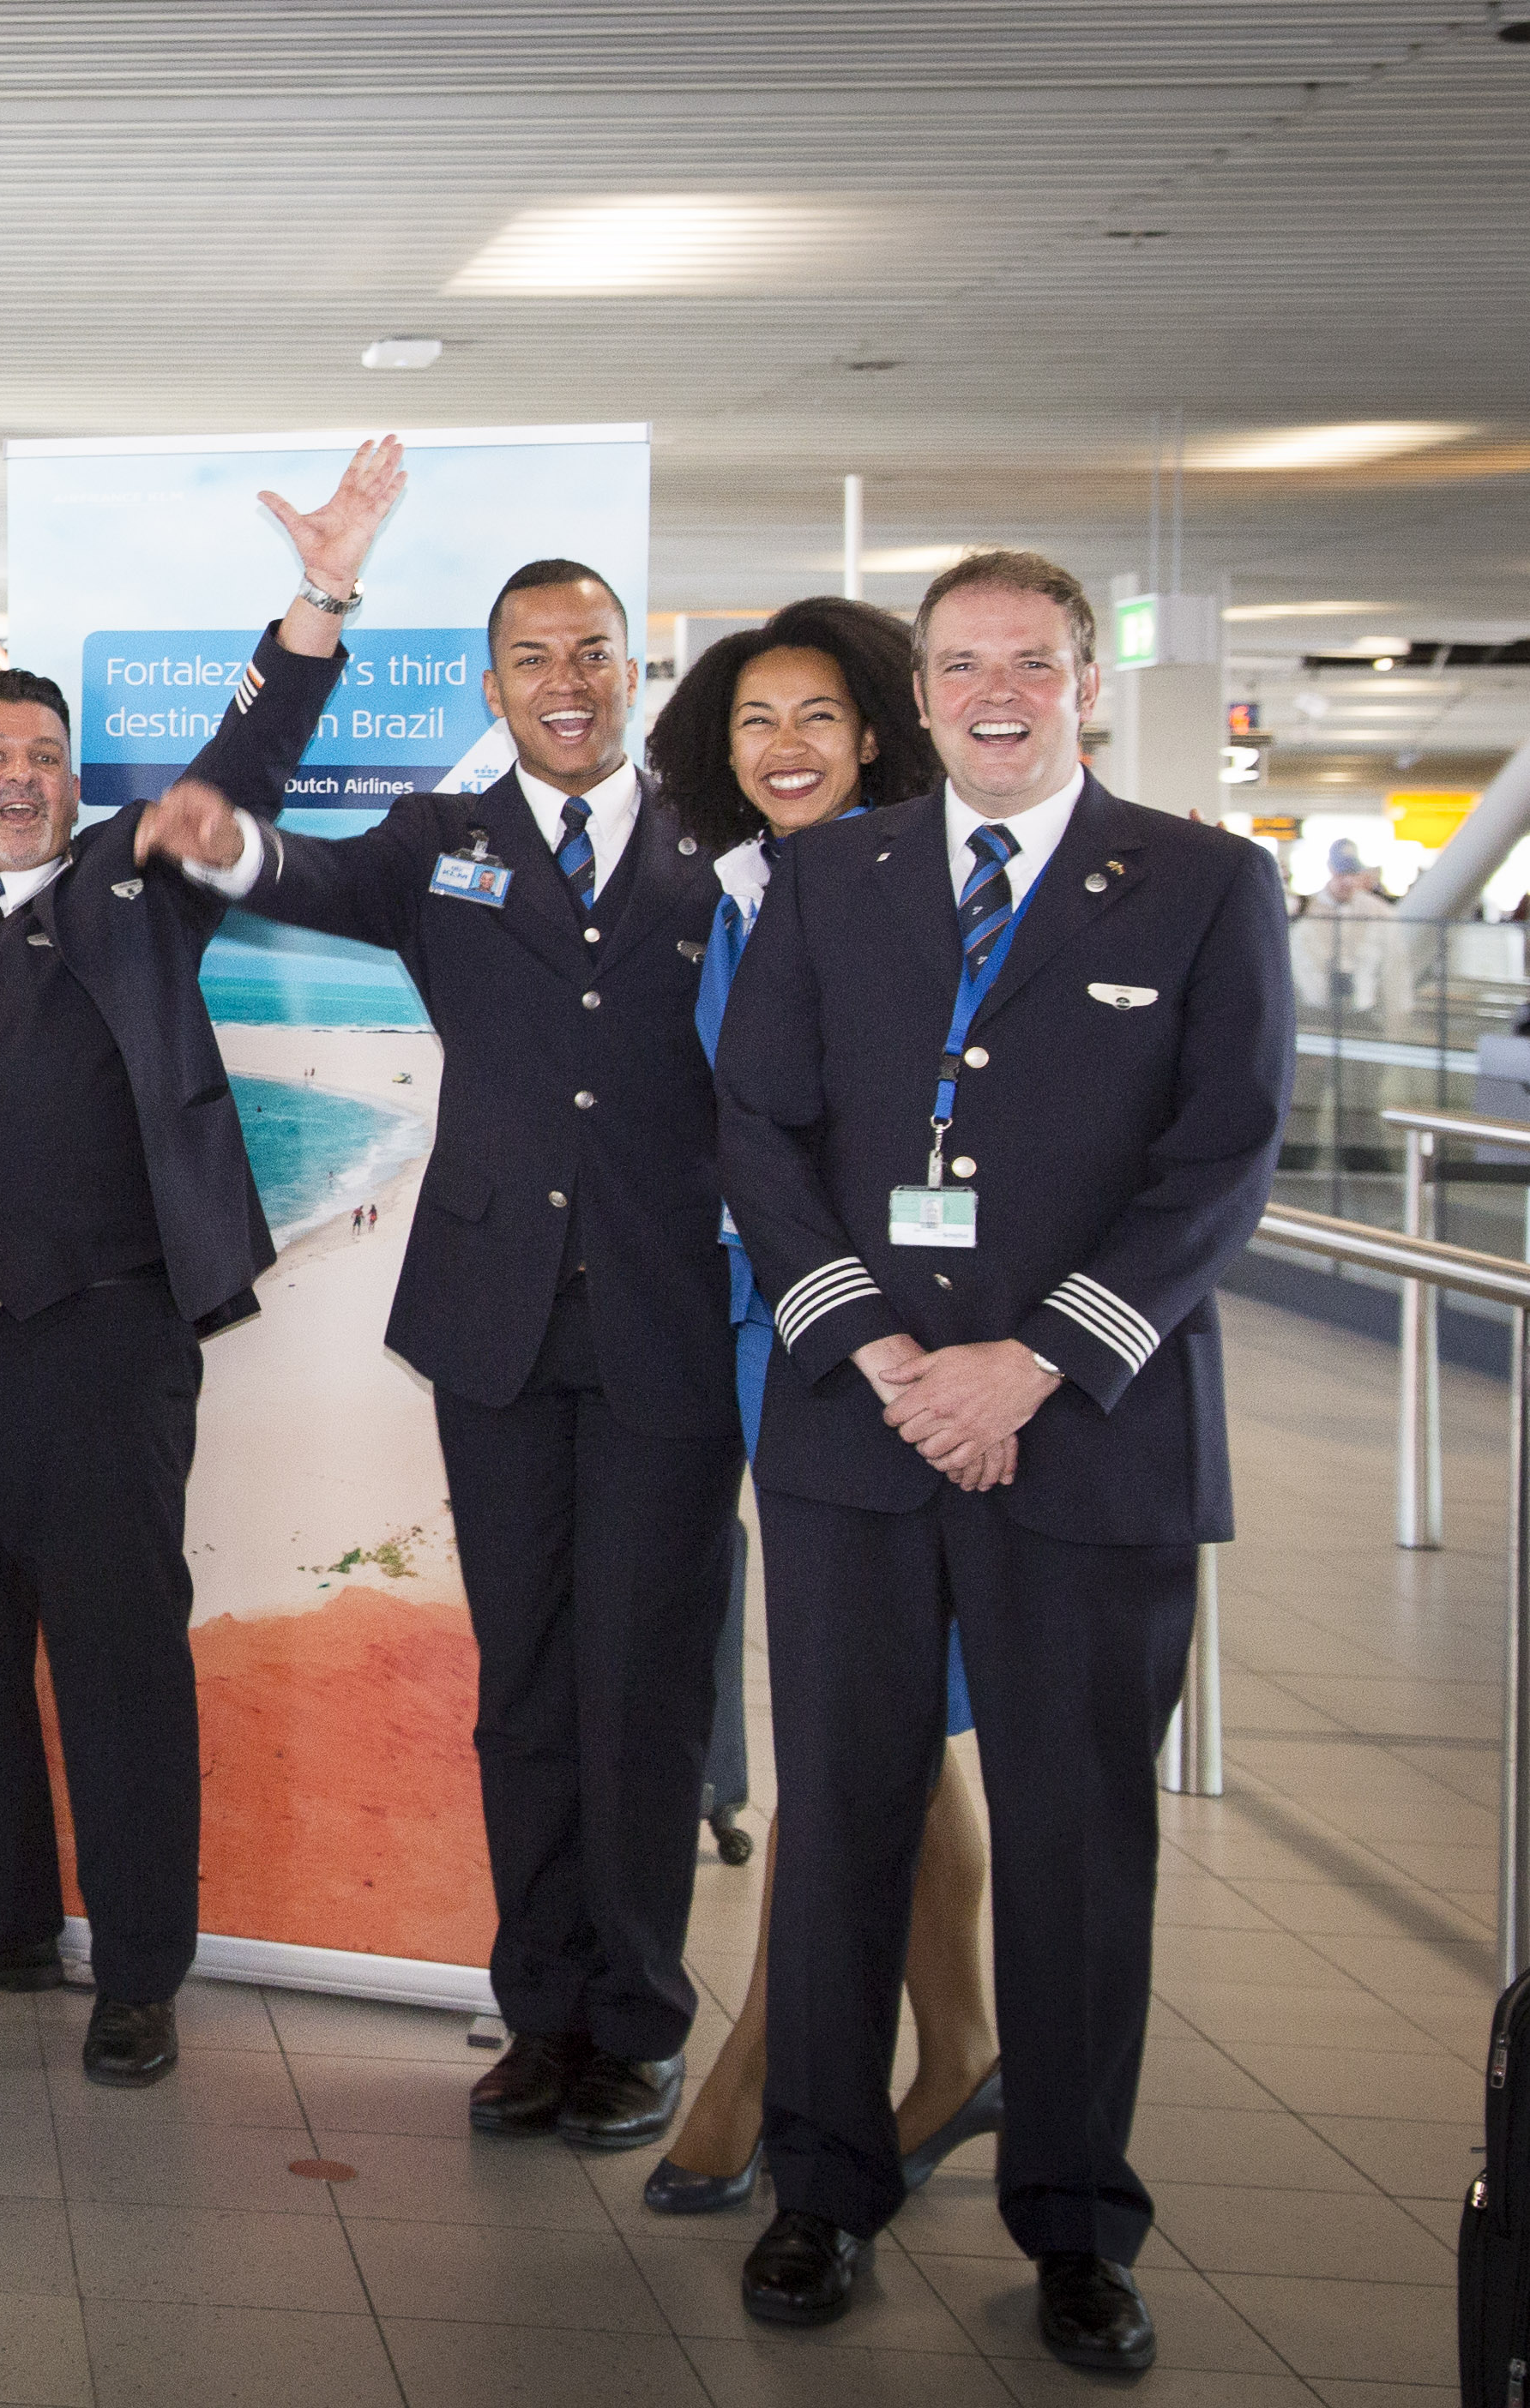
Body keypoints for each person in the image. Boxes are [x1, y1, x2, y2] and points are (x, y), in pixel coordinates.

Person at [0, 436, 407, 2088]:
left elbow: (246, 757)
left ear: (72, 782)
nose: (22, 776)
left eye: (46, 756)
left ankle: (136, 1967)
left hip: (104, 1343)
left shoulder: (138, 879)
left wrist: (319, 592)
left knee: (118, 1655)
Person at [715, 551, 1292, 2371]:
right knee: (841, 1826)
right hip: (860, 1429)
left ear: (1086, 682)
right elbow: (760, 1126)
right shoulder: (829, 876)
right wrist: (870, 1345)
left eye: (1029, 663)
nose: (994, 693)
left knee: (1077, 1843)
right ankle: (822, 2188)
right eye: (961, 663)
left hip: (1088, 1440)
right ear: (923, 692)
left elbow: (1225, 1157)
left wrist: (1032, 1362)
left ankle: (1076, 2222)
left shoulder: (1202, 883)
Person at [147, 531, 746, 2150]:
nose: (567, 680)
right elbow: (309, 877)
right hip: (494, 1322)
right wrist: (221, 839)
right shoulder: (445, 838)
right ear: (493, 687)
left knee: (644, 1690)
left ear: (635, 670)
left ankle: (636, 2021)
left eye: (593, 651)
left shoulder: (722, 846)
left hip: (669, 1327)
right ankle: (540, 2008)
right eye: (534, 658)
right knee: (527, 1682)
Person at [632, 599, 998, 2218]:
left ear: (878, 735)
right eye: (754, 721)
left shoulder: (921, 892)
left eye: (819, 719)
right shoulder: (740, 890)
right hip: (760, 1316)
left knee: (872, 1704)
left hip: (889, 1338)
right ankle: (962, 2045)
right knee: (887, 1707)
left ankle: (768, 2057)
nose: (785, 748)